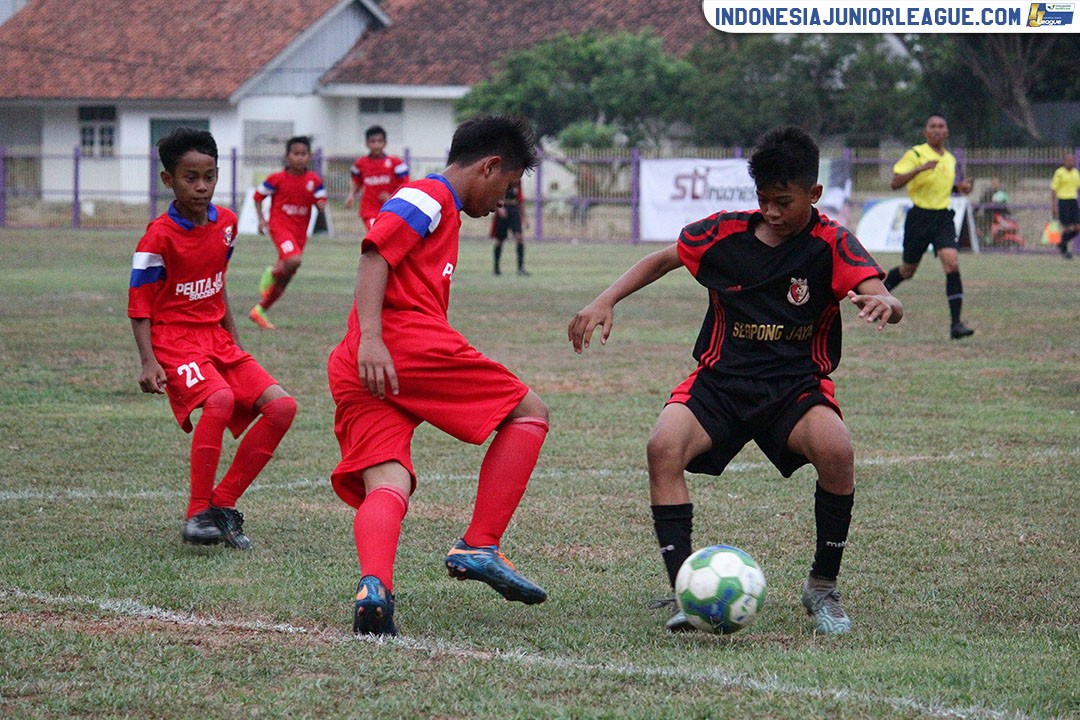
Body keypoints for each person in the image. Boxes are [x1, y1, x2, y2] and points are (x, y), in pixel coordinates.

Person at [568, 126, 903, 636]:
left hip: (793, 386)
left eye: (783, 202)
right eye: (763, 199)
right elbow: (662, 259)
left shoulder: (830, 242)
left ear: (813, 195)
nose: (770, 211)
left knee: (836, 450)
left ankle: (822, 587)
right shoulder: (724, 234)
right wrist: (604, 299)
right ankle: (686, 587)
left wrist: (888, 304)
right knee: (663, 446)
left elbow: (877, 289)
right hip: (721, 383)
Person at [328, 115, 549, 636]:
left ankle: (373, 590)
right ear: (489, 166)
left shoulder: (439, 208)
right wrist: (376, 338)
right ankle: (480, 543)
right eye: (508, 186)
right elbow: (375, 252)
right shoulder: (429, 197)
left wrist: (367, 342)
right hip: (400, 345)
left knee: (389, 481)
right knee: (529, 412)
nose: (503, 200)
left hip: (359, 359)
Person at [128, 127, 297, 549]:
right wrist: (149, 362)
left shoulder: (227, 225)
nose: (201, 187)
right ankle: (196, 513)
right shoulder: (157, 238)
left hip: (216, 338)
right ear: (168, 180)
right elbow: (139, 307)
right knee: (219, 400)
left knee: (281, 407)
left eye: (209, 176)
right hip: (174, 340)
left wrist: (235, 343)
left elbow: (217, 284)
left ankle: (221, 505)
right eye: (190, 177)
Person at [883, 114, 974, 340]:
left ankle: (956, 325)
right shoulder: (915, 154)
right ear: (925, 132)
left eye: (941, 126)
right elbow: (895, 183)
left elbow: (942, 186)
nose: (937, 130)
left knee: (951, 263)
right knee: (908, 271)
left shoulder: (951, 159)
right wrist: (920, 169)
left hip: (942, 217)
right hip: (919, 218)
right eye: (932, 126)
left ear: (947, 132)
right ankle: (877, 299)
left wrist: (959, 188)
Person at [249, 136, 328, 329]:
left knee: (288, 276)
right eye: (296, 154)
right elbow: (258, 196)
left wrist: (321, 205)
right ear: (287, 156)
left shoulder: (314, 181)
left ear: (309, 157)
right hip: (280, 226)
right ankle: (273, 271)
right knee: (294, 261)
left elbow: (322, 204)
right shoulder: (277, 179)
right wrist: (261, 219)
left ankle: (259, 310)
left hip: (300, 232)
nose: (300, 158)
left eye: (303, 154)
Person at [344, 125, 410, 232]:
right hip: (369, 210)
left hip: (391, 210)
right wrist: (351, 195)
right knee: (376, 234)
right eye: (372, 141)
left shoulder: (396, 163)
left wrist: (392, 197)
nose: (376, 145)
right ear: (367, 143)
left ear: (385, 143)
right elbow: (356, 181)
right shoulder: (360, 164)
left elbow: (405, 186)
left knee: (388, 240)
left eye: (380, 141)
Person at [491, 178, 530, 275]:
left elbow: (520, 199)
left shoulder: (518, 179)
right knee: (499, 240)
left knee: (519, 237)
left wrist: (524, 217)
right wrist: (499, 209)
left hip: (514, 209)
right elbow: (494, 194)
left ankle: (520, 268)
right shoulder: (502, 177)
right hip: (502, 208)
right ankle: (496, 268)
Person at [1050, 151, 1080, 260]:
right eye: (1069, 160)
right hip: (1063, 201)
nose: (1071, 162)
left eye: (1073, 160)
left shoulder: (1076, 173)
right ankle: (1065, 251)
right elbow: (1053, 189)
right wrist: (1054, 206)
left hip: (1073, 201)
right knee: (1066, 228)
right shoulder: (1059, 173)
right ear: (1064, 161)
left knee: (1077, 227)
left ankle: (1061, 242)